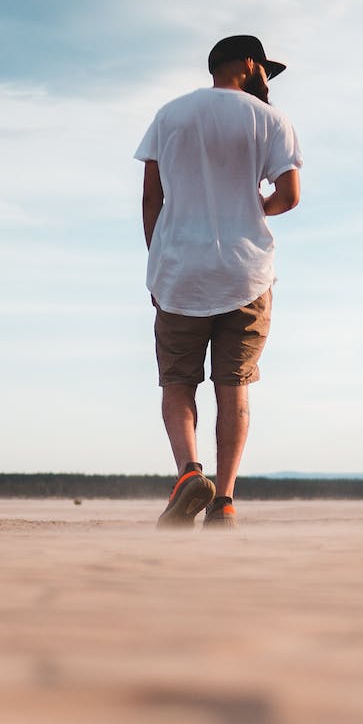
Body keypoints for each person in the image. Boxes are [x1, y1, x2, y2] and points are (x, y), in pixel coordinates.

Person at [135, 34, 303, 530]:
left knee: (178, 382)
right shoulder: (269, 119)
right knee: (234, 388)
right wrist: (254, 209)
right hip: (245, 273)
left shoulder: (170, 115)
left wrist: (159, 258)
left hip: (180, 273)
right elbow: (289, 196)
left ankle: (188, 473)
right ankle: (224, 501)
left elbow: (151, 198)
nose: (266, 80)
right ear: (250, 64)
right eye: (264, 71)